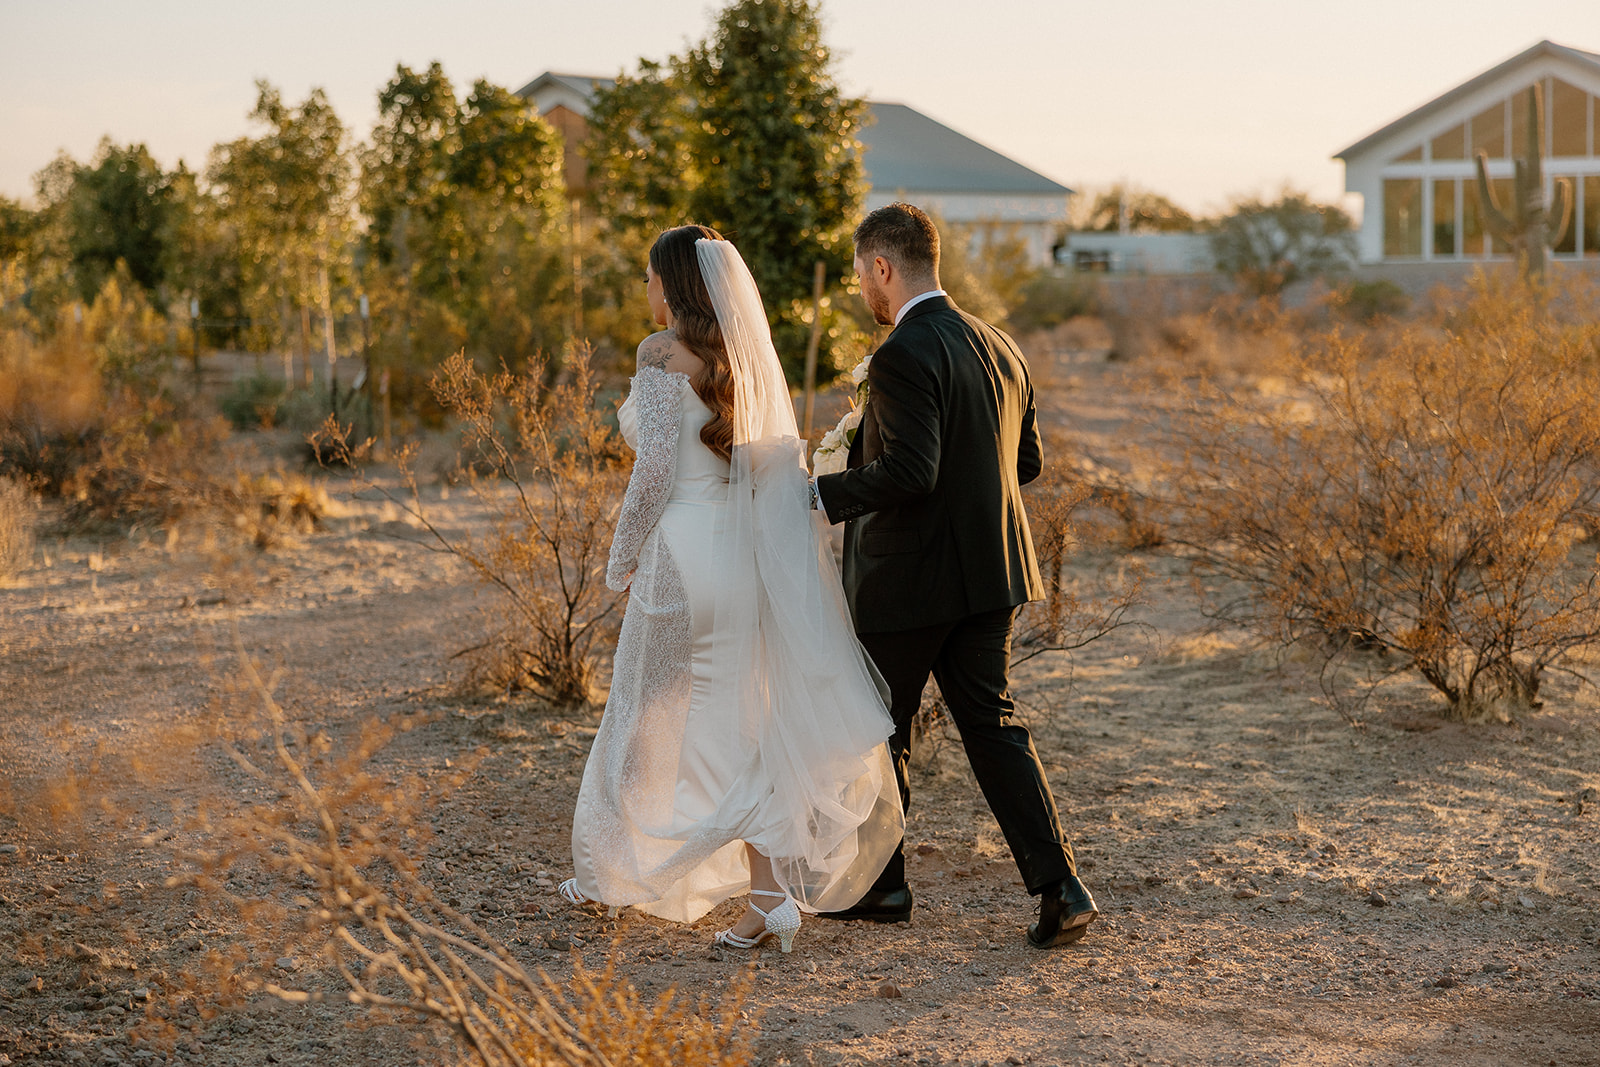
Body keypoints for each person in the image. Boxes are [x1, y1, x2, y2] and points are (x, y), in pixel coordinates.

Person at [560, 225, 903, 953]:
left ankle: (611, 870)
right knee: (744, 726)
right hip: (741, 564)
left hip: (680, 560)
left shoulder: (661, 355)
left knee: (641, 715)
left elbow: (653, 474)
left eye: (649, 275)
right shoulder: (740, 360)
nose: (644, 289)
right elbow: (767, 470)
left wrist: (619, 558)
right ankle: (771, 900)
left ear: (675, 284)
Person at [813, 202, 1098, 948]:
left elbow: (912, 468)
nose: (861, 292)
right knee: (994, 725)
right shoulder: (1001, 344)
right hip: (992, 571)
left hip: (909, 579)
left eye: (860, 275)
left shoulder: (903, 353)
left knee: (879, 727)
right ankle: (1061, 887)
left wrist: (826, 491)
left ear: (883, 267)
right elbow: (1023, 463)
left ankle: (882, 885)